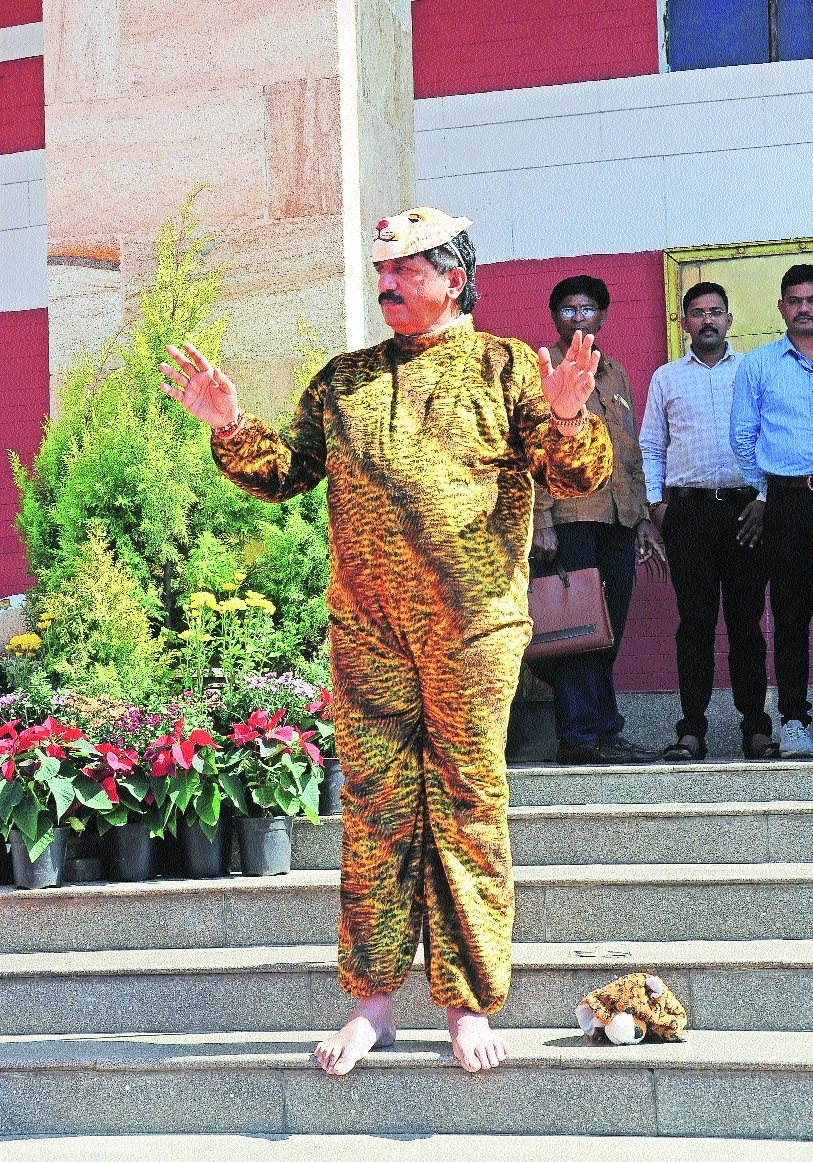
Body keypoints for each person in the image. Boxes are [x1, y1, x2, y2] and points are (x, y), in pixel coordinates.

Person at [159, 207, 613, 1076]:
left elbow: (576, 476)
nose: (387, 284)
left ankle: (465, 1003)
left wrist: (564, 418)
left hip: (471, 627)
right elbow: (283, 473)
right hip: (367, 632)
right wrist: (229, 423)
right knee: (373, 810)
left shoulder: (506, 365)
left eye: (405, 269)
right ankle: (372, 1003)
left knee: (465, 804)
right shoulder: (345, 380)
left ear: (454, 278)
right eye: (382, 270)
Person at [530, 275, 664, 765]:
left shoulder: (616, 373)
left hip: (617, 519)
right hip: (569, 520)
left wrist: (642, 518)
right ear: (555, 318)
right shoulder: (542, 371)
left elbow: (630, 452)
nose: (578, 318)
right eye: (568, 310)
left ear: (603, 317)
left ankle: (605, 732)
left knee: (609, 629)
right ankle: (581, 737)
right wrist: (542, 519)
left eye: (587, 309)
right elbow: (531, 452)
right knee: (577, 630)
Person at [640, 281, 775, 762]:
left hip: (746, 514)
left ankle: (756, 728)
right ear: (684, 323)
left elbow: (773, 438)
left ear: (729, 319)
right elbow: (651, 446)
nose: (707, 320)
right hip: (689, 514)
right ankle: (691, 732)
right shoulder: (666, 378)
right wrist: (657, 507)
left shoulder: (752, 371)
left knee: (746, 625)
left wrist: (764, 498)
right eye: (697, 313)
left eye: (716, 311)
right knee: (694, 624)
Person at [731, 263, 813, 759]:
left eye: (812, 300)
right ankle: (795, 719)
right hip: (788, 501)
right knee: (791, 612)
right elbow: (742, 437)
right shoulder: (759, 365)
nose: (805, 308)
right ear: (781, 307)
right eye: (795, 300)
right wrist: (764, 491)